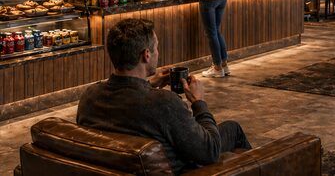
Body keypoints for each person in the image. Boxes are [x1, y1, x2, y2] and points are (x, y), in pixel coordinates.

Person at [77, 19, 250, 174]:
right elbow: (210, 151)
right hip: (180, 168)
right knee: (233, 129)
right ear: (146, 55)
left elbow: (126, 99)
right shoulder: (164, 103)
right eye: (156, 47)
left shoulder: (89, 97)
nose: (157, 52)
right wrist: (199, 102)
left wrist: (148, 83)